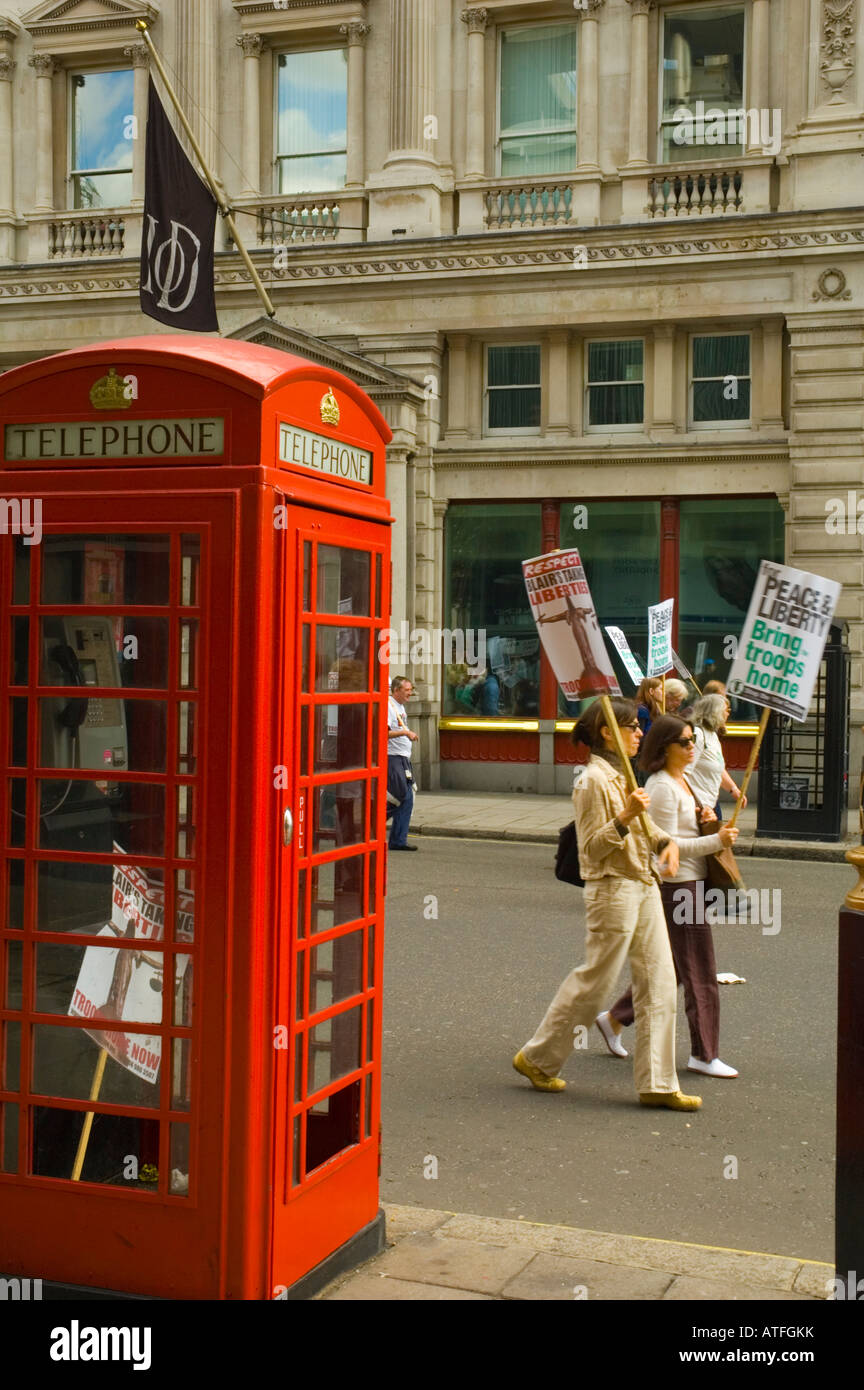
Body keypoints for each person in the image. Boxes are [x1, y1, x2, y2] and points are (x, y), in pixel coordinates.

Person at [512, 697, 702, 1111]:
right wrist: (625, 816)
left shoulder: (622, 775)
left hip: (644, 883)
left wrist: (666, 843)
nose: (640, 734)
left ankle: (657, 1083)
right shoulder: (592, 781)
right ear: (607, 733)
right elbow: (592, 849)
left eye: (639, 727)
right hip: (612, 888)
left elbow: (649, 828)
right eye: (633, 727)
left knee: (660, 982)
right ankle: (538, 1058)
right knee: (596, 983)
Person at [596, 714, 741, 1079]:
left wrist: (706, 817)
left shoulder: (684, 780)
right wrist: (715, 840)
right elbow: (664, 847)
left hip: (692, 883)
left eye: (693, 740)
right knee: (701, 971)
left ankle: (614, 1019)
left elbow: (684, 827)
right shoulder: (660, 786)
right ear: (665, 748)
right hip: (679, 888)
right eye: (686, 742)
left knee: (678, 966)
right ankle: (704, 1054)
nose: (693, 747)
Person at [688, 692, 746, 822]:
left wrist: (734, 790)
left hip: (711, 803)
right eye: (726, 710)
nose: (728, 713)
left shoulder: (712, 735)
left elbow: (718, 768)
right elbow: (684, 772)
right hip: (698, 807)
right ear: (715, 712)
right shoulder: (698, 735)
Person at [387, 676, 419, 851]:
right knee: (401, 796)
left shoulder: (399, 707)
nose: (410, 693)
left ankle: (398, 840)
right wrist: (405, 734)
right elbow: (382, 733)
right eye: (407, 690)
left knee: (407, 798)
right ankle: (366, 825)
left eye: (411, 689)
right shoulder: (388, 706)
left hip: (402, 758)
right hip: (393, 757)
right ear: (396, 690)